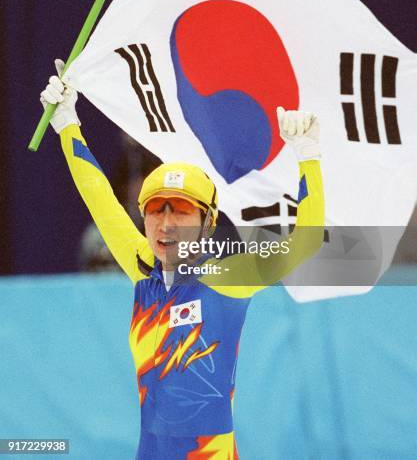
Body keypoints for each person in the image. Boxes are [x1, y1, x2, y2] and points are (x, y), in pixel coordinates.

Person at [41, 60, 325, 459]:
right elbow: (99, 198)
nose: (167, 223)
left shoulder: (230, 273)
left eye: (182, 211)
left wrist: (308, 157)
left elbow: (306, 242)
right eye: (157, 209)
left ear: (208, 223)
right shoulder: (141, 265)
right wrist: (67, 120)